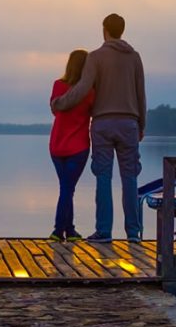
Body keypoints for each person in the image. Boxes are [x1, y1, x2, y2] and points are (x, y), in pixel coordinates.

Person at [51, 13, 146, 243]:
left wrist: (59, 103)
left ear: (104, 29)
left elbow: (82, 88)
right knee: (130, 178)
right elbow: (140, 93)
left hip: (103, 123)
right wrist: (141, 124)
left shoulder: (95, 57)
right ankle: (133, 233)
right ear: (122, 30)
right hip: (129, 123)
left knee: (103, 178)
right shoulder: (135, 57)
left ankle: (104, 232)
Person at [48, 49, 95, 242]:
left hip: (57, 146)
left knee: (67, 187)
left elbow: (54, 110)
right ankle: (58, 231)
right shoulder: (90, 92)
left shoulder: (58, 86)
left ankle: (70, 230)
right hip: (78, 147)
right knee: (67, 188)